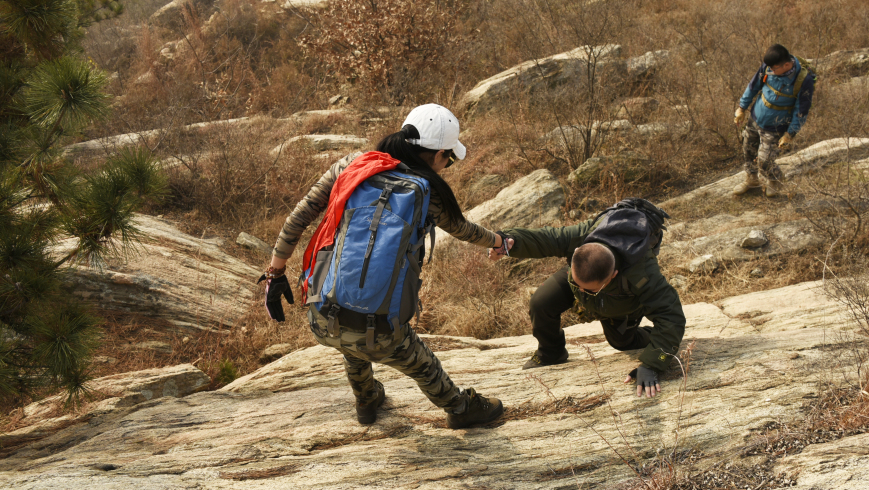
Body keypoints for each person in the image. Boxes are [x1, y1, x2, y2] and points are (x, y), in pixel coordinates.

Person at [261, 103, 505, 429]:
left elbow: (299, 218)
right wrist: (498, 241)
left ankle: (366, 400)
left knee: (352, 322)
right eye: (449, 157)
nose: (448, 165)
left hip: (321, 315)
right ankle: (460, 408)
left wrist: (275, 275)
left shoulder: (352, 166)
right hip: (382, 333)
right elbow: (464, 230)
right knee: (420, 362)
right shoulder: (426, 192)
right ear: (438, 153)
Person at [488, 200, 686, 398]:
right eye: (577, 284)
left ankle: (654, 337)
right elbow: (547, 238)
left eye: (588, 290)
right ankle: (551, 353)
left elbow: (672, 316)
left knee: (623, 343)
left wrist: (652, 364)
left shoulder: (642, 273)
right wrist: (505, 240)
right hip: (589, 275)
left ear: (613, 275)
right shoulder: (585, 235)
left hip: (620, 303)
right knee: (541, 302)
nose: (580, 291)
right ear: (576, 253)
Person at [732, 44, 817, 198]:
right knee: (748, 150)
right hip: (756, 117)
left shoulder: (804, 80)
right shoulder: (768, 66)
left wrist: (790, 134)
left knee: (765, 160)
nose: (770, 71)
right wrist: (742, 108)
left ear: (786, 65)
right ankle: (752, 180)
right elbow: (753, 86)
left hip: (776, 126)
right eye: (769, 68)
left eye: (774, 69)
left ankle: (775, 180)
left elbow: (801, 110)